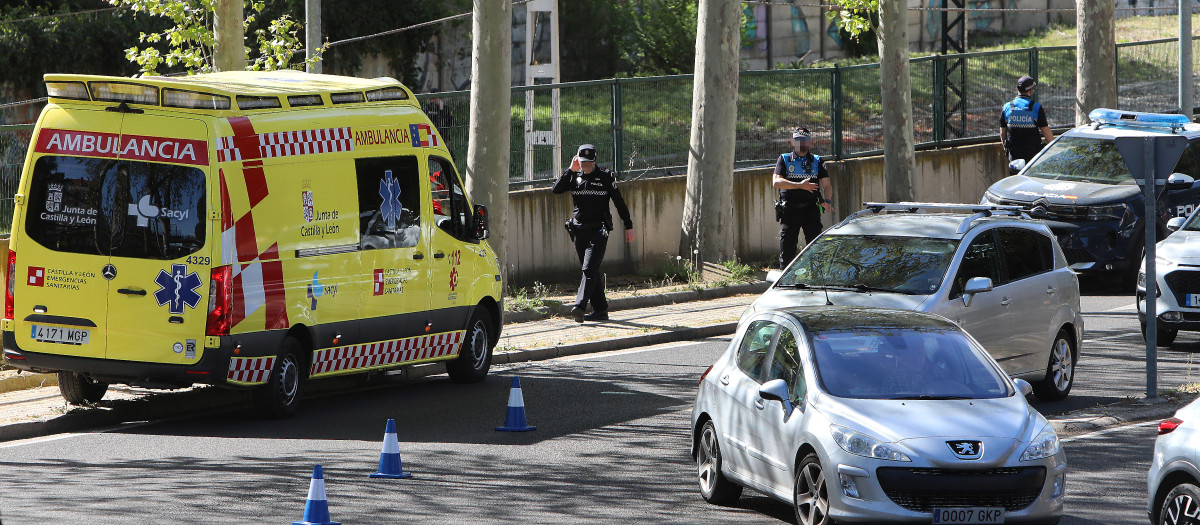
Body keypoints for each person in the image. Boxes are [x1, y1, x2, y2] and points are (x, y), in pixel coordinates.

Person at [552, 144, 636, 322]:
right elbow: (556, 189)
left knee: (589, 269)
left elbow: (619, 202)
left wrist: (628, 226)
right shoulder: (574, 174)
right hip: (578, 230)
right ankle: (600, 310)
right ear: (578, 160)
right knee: (591, 270)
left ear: (595, 161)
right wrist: (569, 170)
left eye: (589, 163)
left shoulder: (605, 176)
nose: (586, 166)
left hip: (599, 229)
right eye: (583, 163)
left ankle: (580, 306)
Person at [773, 127, 832, 269]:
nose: (802, 143)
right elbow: (776, 182)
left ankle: (817, 278)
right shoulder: (784, 159)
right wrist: (799, 185)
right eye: (798, 140)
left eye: (804, 140)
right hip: (790, 210)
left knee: (815, 248)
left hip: (811, 210)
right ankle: (785, 281)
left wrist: (827, 201)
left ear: (810, 142)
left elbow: (827, 185)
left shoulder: (817, 160)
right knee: (787, 249)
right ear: (793, 142)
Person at [1000, 75, 1054, 164]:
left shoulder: (1007, 107)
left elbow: (1003, 132)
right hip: (1033, 157)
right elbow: (1045, 131)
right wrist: (1054, 147)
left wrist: (1006, 150)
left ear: (1017, 88)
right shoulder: (1036, 107)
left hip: (1014, 156)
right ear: (1030, 90)